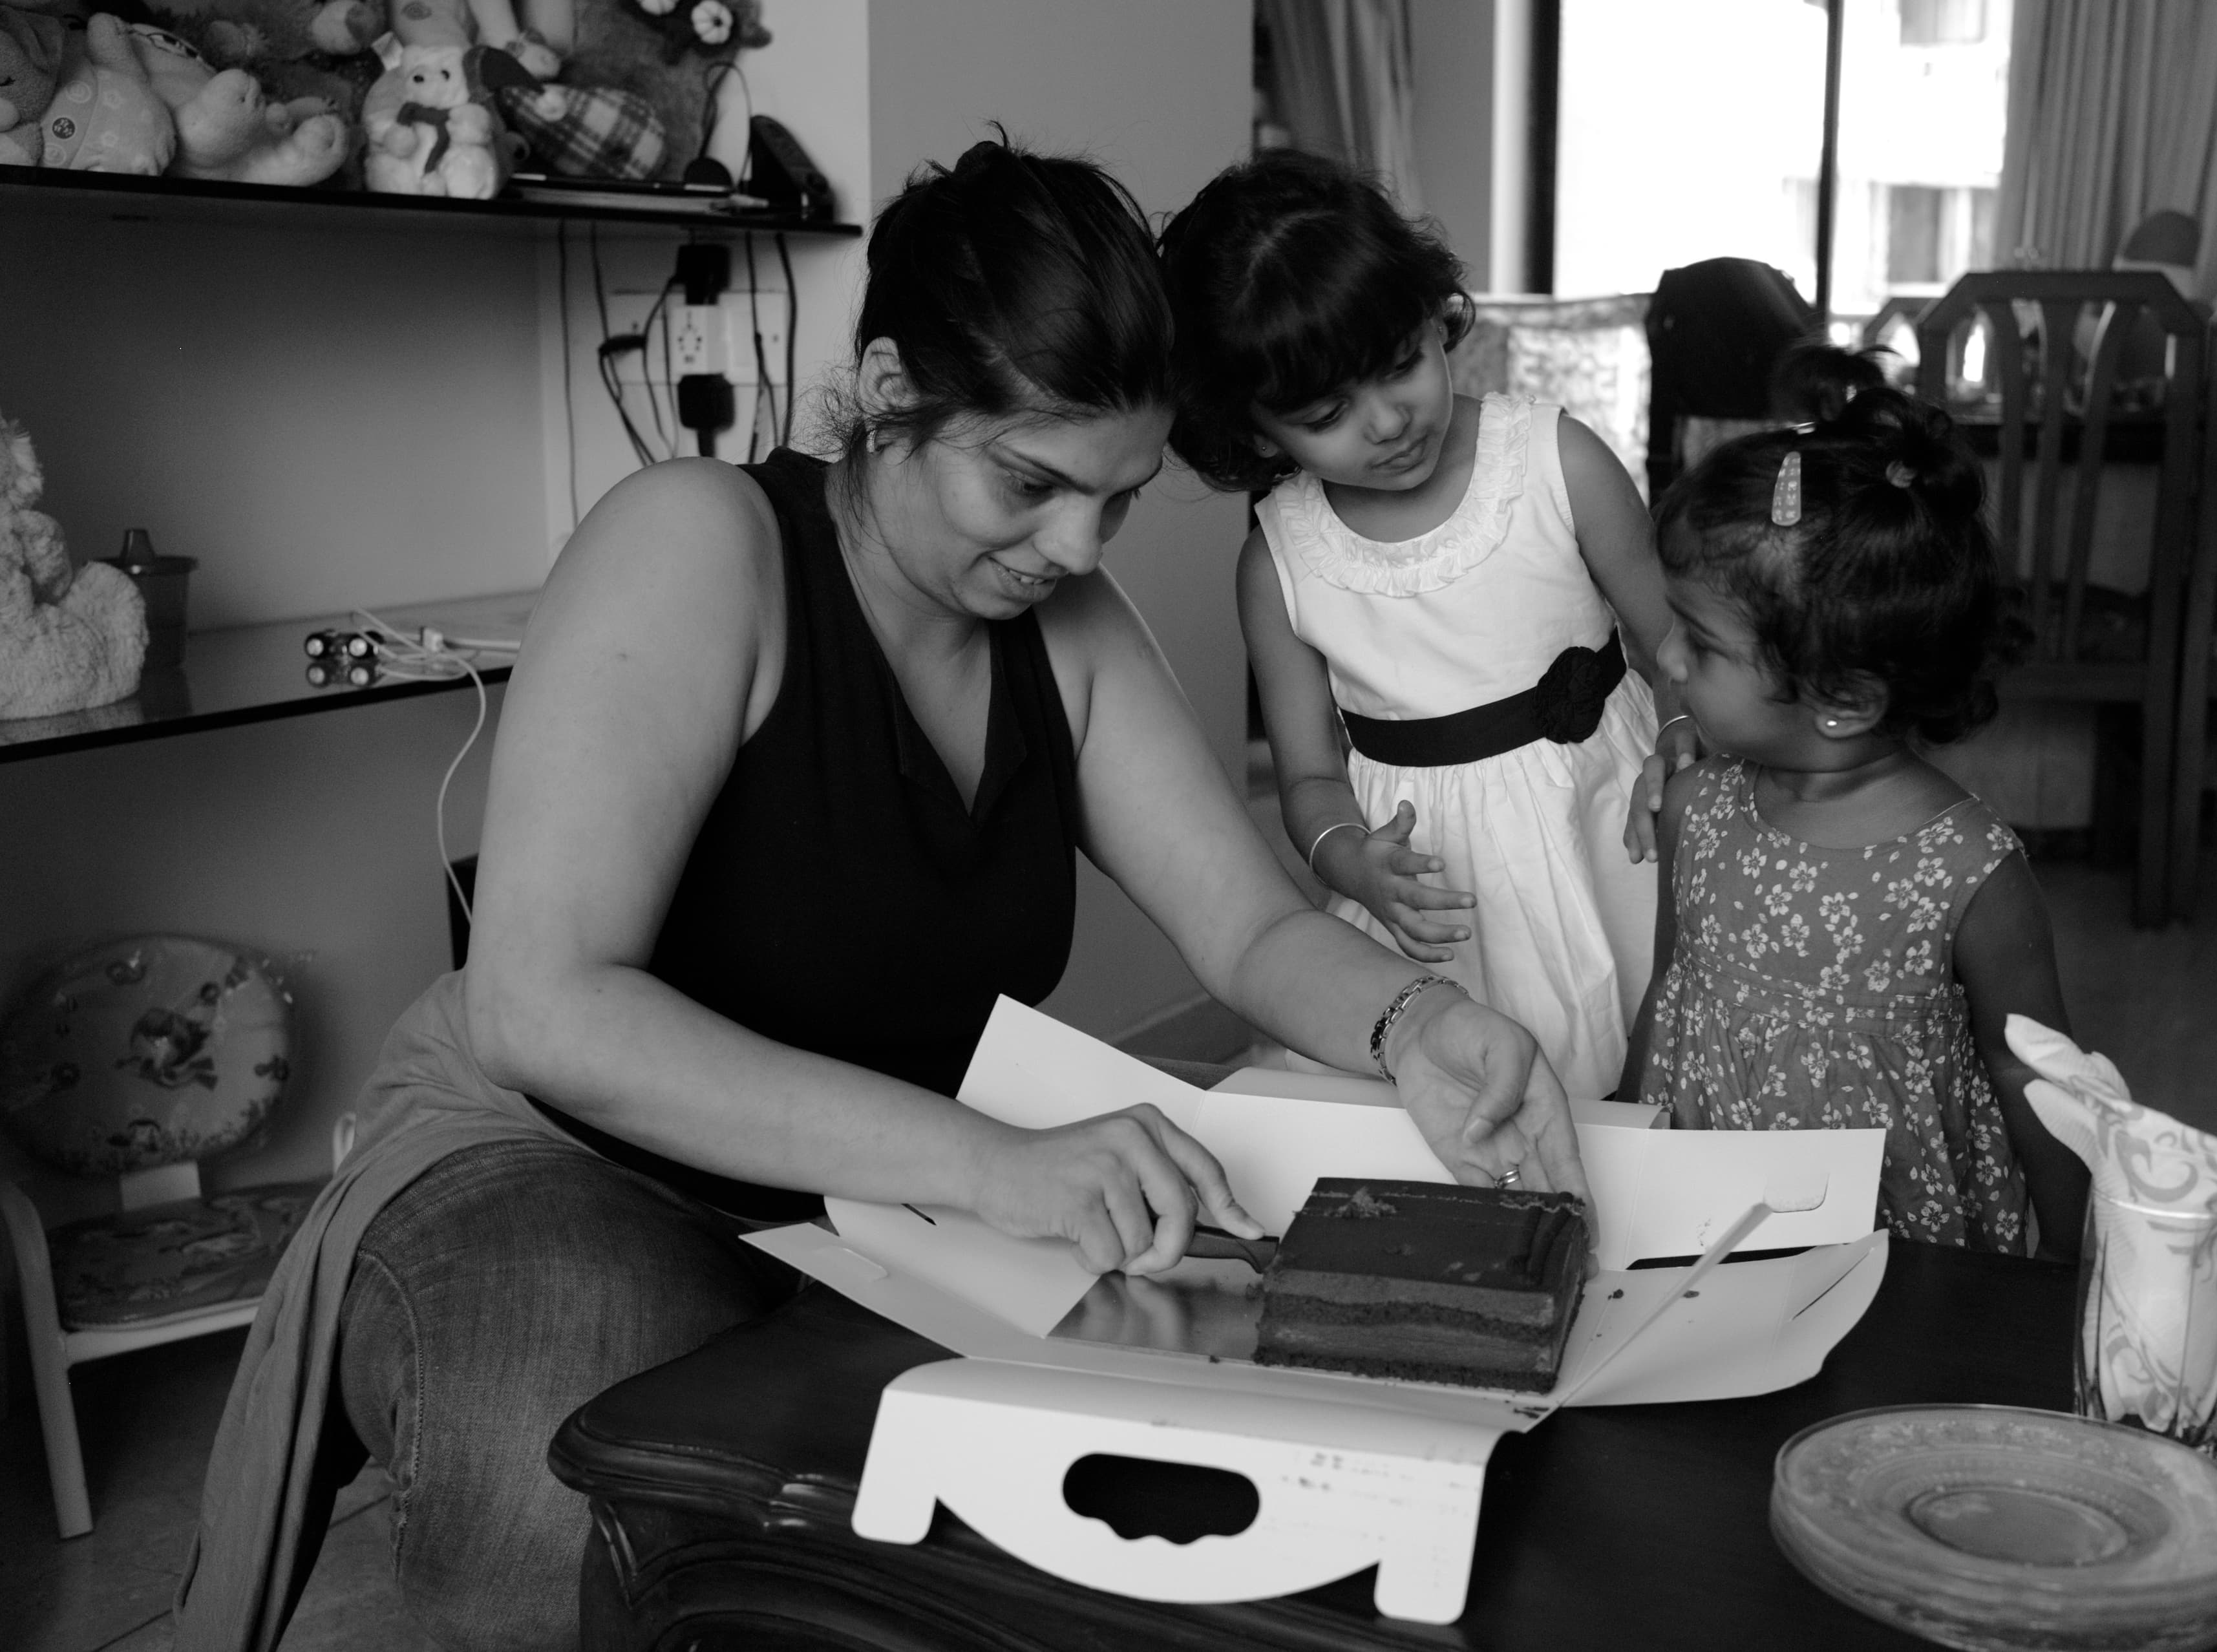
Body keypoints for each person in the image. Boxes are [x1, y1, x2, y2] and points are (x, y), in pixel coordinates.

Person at [176, 139, 1591, 1652]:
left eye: (1111, 505)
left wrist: (1416, 1021)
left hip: (865, 1193)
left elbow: (1245, 926)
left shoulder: (1070, 629)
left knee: (994, 1531)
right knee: (579, 1489)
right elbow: (543, 1002)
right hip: (555, 1157)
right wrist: (991, 1164)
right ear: (891, 384)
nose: (1071, 550)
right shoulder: (701, 543)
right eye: (1029, 484)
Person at [1156, 149, 1686, 1104]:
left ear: (1432, 312)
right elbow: (1311, 777)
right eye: (1326, 413)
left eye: (1400, 362)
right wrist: (1349, 858)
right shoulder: (1279, 565)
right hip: (1438, 897)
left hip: (1607, 838)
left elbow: (1679, 646)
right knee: (1465, 1117)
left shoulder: (1554, 461)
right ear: (1259, 432)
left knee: (1645, 1102)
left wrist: (1679, 745)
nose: (1389, 420)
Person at [1616, 361, 2090, 1260]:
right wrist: (1620, 1150)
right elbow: (1668, 997)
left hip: (1894, 1252)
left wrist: (2072, 1258)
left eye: (1703, 645)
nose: (1666, 660)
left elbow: (2032, 1065)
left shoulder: (1967, 868)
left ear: (1843, 696)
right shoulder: (1698, 810)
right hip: (1702, 1229)